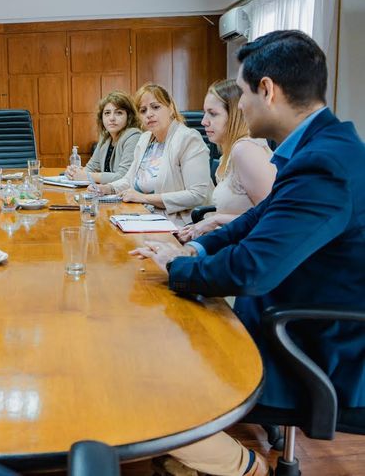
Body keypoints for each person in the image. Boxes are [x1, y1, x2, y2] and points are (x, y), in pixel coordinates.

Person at [133, 30, 365, 476]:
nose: (239, 106)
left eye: (240, 93)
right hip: (299, 315)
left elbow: (252, 268)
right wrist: (197, 244)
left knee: (147, 375)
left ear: (267, 90)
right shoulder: (323, 148)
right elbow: (258, 220)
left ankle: (244, 467)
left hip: (313, 341)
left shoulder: (325, 165)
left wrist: (179, 269)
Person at [90, 83, 213, 225]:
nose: (149, 114)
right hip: (145, 215)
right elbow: (129, 179)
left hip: (181, 222)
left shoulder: (188, 138)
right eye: (143, 110)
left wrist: (144, 198)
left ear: (171, 108)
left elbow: (196, 195)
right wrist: (107, 188)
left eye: (155, 107)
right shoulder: (145, 139)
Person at [176, 80, 276, 242]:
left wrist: (215, 220)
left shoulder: (246, 150)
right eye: (205, 113)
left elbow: (271, 219)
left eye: (213, 114)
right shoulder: (229, 153)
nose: (204, 122)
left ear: (236, 115)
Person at [65, 91, 141, 184]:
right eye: (107, 113)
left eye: (119, 113)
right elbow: (91, 167)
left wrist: (87, 176)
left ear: (129, 117)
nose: (112, 118)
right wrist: (74, 172)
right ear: (101, 117)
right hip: (107, 193)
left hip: (127, 195)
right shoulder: (106, 138)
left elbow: (124, 177)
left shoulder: (134, 137)